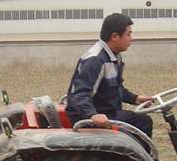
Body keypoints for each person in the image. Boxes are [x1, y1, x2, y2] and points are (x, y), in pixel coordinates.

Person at [66, 13, 154, 147]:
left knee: (144, 121)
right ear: (115, 36)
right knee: (131, 141)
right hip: (91, 118)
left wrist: (135, 98)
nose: (131, 39)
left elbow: (115, 88)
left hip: (108, 113)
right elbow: (79, 94)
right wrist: (92, 115)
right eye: (128, 34)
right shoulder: (96, 60)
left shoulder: (113, 57)